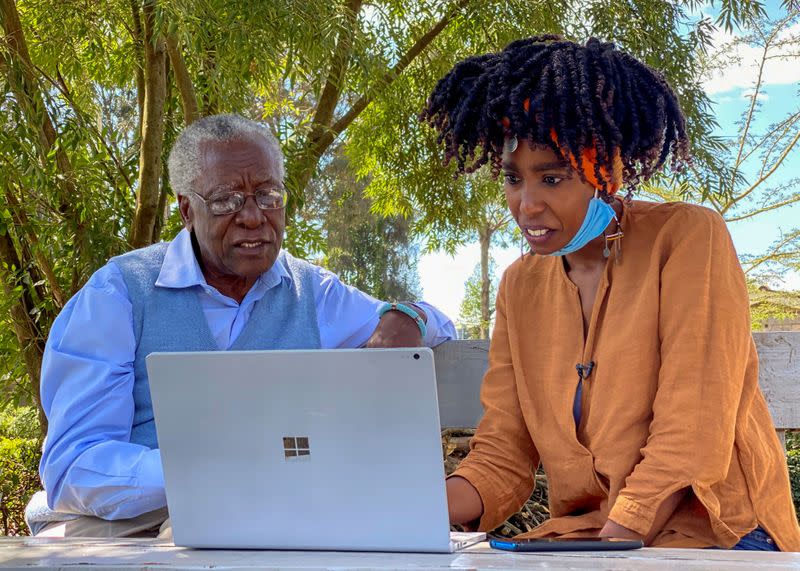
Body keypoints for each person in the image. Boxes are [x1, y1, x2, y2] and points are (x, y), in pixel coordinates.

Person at [421, 35, 800, 551]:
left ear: (608, 171)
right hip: (585, 540)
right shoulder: (519, 286)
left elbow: (692, 432)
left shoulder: (689, 238)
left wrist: (608, 553)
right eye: (513, 179)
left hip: (720, 537)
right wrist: (413, 509)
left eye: (552, 179)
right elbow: (503, 450)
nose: (526, 204)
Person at [26, 113, 456, 538]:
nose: (253, 216)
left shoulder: (313, 293)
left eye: (268, 195)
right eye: (227, 200)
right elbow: (74, 466)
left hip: (276, 523)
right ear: (186, 210)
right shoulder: (118, 295)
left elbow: (433, 326)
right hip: (134, 527)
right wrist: (219, 471)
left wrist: (409, 316)